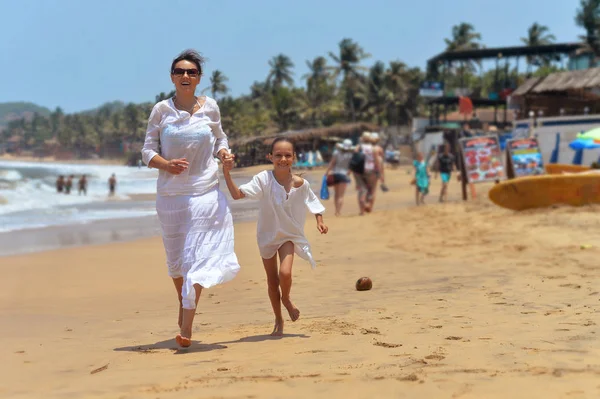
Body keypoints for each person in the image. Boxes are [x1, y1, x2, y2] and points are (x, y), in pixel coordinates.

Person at [141, 49, 240, 348]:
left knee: (196, 258)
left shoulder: (211, 107)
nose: (186, 76)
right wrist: (167, 165)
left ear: (199, 78)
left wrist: (224, 153)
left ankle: (187, 323)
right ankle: (186, 304)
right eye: (180, 72)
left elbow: (220, 137)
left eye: (191, 72)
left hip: (204, 191)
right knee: (176, 263)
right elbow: (147, 151)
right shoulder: (161, 110)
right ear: (172, 77)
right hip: (170, 196)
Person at [222, 137, 328, 336]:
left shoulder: (300, 184)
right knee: (272, 281)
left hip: (289, 234)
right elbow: (237, 195)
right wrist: (226, 173)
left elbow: (313, 202)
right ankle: (278, 319)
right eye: (278, 155)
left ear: (294, 158)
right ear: (270, 157)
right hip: (267, 235)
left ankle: (286, 298)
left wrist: (319, 221)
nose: (283, 159)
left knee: (285, 273)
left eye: (288, 155)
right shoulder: (264, 179)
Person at [325, 139, 354, 216]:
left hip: (335, 174)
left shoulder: (336, 152)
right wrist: (349, 173)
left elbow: (332, 163)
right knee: (341, 195)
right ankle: (338, 211)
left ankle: (336, 210)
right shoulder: (351, 155)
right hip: (344, 175)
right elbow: (352, 166)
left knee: (336, 194)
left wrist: (327, 172)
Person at [354, 132, 379, 214]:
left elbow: (354, 158)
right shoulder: (373, 148)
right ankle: (368, 205)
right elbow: (376, 161)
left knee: (361, 189)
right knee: (371, 189)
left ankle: (362, 210)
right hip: (370, 170)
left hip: (358, 170)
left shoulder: (358, 147)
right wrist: (378, 171)